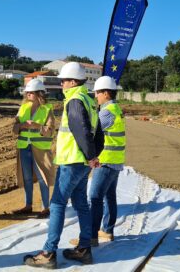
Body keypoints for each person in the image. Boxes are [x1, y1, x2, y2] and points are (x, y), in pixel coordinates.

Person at [24, 62, 102, 269]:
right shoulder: (88, 99)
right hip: (82, 163)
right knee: (81, 204)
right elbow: (98, 132)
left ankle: (49, 252)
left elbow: (82, 130)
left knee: (57, 204)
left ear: (74, 81)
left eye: (64, 80)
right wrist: (93, 156)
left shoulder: (75, 101)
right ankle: (84, 249)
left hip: (72, 161)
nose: (62, 84)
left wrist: (90, 155)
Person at [70, 76, 124, 247]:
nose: (96, 96)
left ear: (106, 93)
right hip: (115, 161)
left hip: (105, 161)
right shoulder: (116, 109)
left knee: (95, 198)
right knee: (109, 197)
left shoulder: (106, 112)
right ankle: (107, 231)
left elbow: (93, 132)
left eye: (98, 93)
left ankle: (91, 237)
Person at [12, 78, 56, 218]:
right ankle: (28, 205)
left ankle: (45, 207)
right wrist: (22, 126)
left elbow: (50, 130)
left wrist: (37, 126)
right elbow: (14, 129)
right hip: (24, 147)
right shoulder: (23, 108)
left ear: (39, 94)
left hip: (40, 149)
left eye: (31, 92)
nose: (28, 95)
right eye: (27, 92)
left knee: (43, 177)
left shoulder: (47, 109)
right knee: (27, 177)